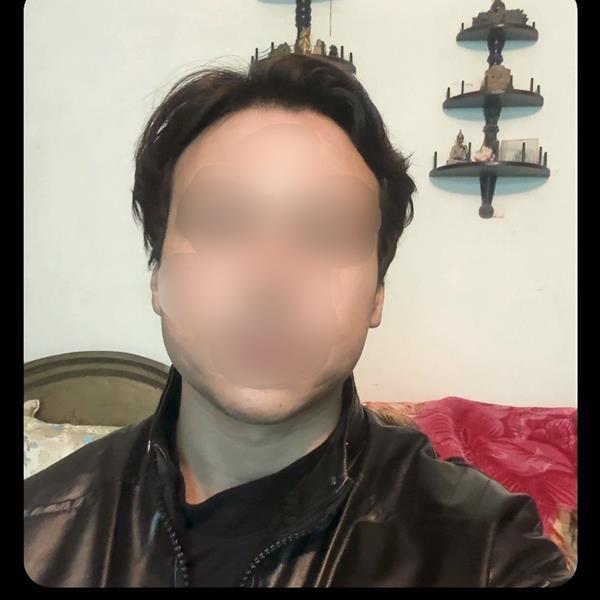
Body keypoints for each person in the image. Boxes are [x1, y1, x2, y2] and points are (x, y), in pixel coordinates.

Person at [24, 52, 572, 587]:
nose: (271, 279)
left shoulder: (483, 550)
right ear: (157, 276)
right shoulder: (41, 527)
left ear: (377, 293)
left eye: (324, 232)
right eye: (223, 222)